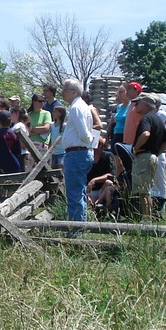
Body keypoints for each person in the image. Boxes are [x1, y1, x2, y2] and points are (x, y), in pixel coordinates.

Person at [129, 94, 166, 219]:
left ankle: (147, 219)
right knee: (147, 190)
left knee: (143, 191)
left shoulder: (146, 118)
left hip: (144, 156)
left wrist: (135, 148)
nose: (135, 105)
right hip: (152, 156)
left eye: (138, 103)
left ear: (145, 104)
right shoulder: (157, 119)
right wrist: (158, 152)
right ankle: (148, 217)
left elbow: (145, 134)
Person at [60, 78, 95, 222]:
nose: (62, 93)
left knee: (74, 193)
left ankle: (76, 228)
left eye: (65, 90)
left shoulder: (76, 108)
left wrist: (89, 142)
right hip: (80, 152)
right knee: (78, 191)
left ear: (73, 92)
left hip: (76, 153)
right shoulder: (82, 106)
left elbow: (84, 132)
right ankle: (80, 223)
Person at [0, 110, 22, 174]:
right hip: (15, 165)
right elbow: (18, 152)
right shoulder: (15, 134)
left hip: (1, 167)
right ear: (10, 121)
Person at [108, 84, 130, 150]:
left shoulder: (131, 106)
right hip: (116, 134)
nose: (119, 94)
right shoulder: (118, 107)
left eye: (121, 92)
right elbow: (112, 122)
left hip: (125, 135)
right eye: (118, 92)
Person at [122, 81, 144, 145]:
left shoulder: (140, 104)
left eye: (129, 89)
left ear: (136, 91)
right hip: (127, 140)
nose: (127, 91)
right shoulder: (130, 104)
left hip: (135, 141)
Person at [50, 105, 67, 169]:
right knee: (53, 171)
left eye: (55, 112)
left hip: (62, 152)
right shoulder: (51, 125)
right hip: (53, 152)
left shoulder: (65, 125)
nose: (53, 113)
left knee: (61, 171)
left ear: (60, 113)